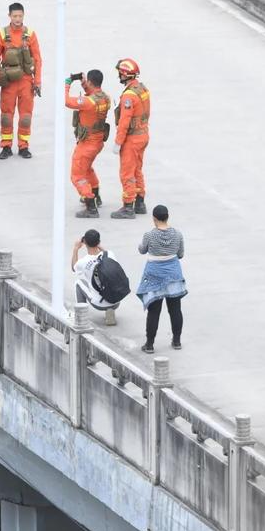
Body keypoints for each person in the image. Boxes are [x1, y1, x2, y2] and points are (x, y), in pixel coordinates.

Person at [0, 2, 42, 159]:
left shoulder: (30, 34)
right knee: (6, 116)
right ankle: (6, 146)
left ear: (23, 15)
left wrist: (38, 82)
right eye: (14, 16)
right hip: (8, 81)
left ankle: (24, 146)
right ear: (9, 16)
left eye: (20, 16)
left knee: (26, 116)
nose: (17, 19)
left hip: (26, 81)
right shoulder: (1, 34)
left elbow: (37, 59)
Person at [137, 205, 187, 352]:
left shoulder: (149, 235)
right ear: (167, 217)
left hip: (154, 275)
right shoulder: (178, 234)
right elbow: (181, 254)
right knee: (175, 309)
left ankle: (150, 344)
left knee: (154, 311)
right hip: (173, 274)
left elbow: (142, 250)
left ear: (154, 219)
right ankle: (176, 341)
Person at [65, 70, 111, 218]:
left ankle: (90, 204)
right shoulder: (105, 98)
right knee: (87, 169)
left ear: (91, 82)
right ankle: (96, 195)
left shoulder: (87, 102)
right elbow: (92, 94)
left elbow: (66, 101)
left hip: (86, 145)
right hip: (97, 142)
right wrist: (84, 83)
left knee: (77, 175)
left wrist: (67, 84)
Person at [111, 58, 150, 219]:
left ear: (125, 74)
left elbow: (124, 122)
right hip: (143, 135)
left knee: (127, 172)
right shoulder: (142, 89)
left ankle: (128, 206)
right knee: (137, 169)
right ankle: (140, 202)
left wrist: (118, 142)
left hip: (132, 139)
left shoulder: (128, 96)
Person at [71, 229, 120, 326]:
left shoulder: (83, 262)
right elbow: (106, 253)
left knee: (78, 283)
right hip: (116, 300)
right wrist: (99, 246)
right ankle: (110, 309)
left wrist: (75, 248)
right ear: (99, 242)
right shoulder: (109, 254)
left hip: (99, 304)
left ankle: (81, 316)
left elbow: (74, 268)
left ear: (84, 242)